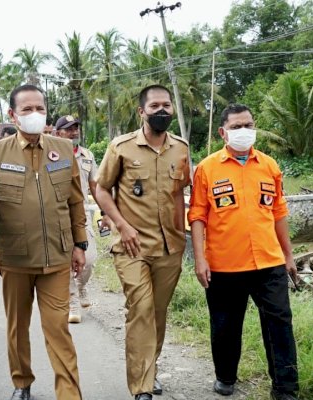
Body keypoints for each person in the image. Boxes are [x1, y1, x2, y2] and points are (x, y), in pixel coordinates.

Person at [0, 84, 87, 400]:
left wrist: (80, 244)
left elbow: (76, 202)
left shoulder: (64, 150)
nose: (35, 114)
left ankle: (69, 394)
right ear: (12, 115)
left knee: (58, 330)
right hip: (15, 257)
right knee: (17, 327)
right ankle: (22, 382)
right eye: (27, 109)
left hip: (57, 256)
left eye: (40, 108)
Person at [188, 104, 299, 400]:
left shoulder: (270, 166)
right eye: (236, 127)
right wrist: (200, 259)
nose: (244, 131)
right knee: (225, 326)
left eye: (248, 125)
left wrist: (288, 255)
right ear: (223, 132)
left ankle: (285, 389)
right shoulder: (207, 169)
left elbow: (278, 212)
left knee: (279, 325)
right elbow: (197, 216)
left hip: (269, 262)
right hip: (224, 265)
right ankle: (225, 377)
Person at [95, 84, 191, 400]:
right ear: (142, 111)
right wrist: (122, 227)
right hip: (132, 247)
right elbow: (101, 189)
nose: (162, 111)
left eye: (166, 105)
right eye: (155, 106)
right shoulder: (121, 147)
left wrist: (184, 234)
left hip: (170, 248)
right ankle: (142, 387)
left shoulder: (181, 148)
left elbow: (180, 194)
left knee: (158, 313)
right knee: (142, 308)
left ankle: (150, 368)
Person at [55, 115, 99, 323]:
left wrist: (106, 212)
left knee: (88, 259)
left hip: (81, 215)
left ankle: (81, 287)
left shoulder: (87, 155)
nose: (74, 132)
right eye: (68, 129)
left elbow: (96, 186)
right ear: (58, 133)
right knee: (65, 261)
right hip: (58, 215)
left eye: (76, 128)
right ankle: (72, 303)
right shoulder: (51, 155)